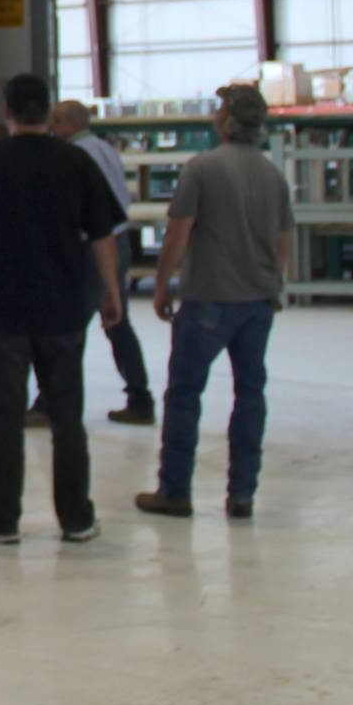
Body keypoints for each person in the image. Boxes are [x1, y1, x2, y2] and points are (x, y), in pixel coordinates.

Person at [0, 73, 124, 545]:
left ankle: (1, 522)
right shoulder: (77, 163)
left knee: (5, 419)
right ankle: (77, 519)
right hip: (63, 309)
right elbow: (102, 235)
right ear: (47, 111)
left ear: (5, 111)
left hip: (4, 311)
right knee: (67, 419)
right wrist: (111, 293)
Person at [134, 84, 292, 521]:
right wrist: (273, 285)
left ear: (225, 120)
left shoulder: (202, 169)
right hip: (257, 300)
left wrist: (162, 283)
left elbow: (178, 232)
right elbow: (283, 241)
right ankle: (242, 493)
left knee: (184, 394)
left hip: (208, 298)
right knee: (250, 395)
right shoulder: (272, 175)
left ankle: (176, 490)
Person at [45, 100, 155, 425]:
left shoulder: (77, 156)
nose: (52, 127)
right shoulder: (104, 148)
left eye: (56, 121)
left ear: (69, 123)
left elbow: (79, 210)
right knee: (117, 321)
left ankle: (53, 402)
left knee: (69, 324)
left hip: (93, 246)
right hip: (118, 240)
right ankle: (140, 398)